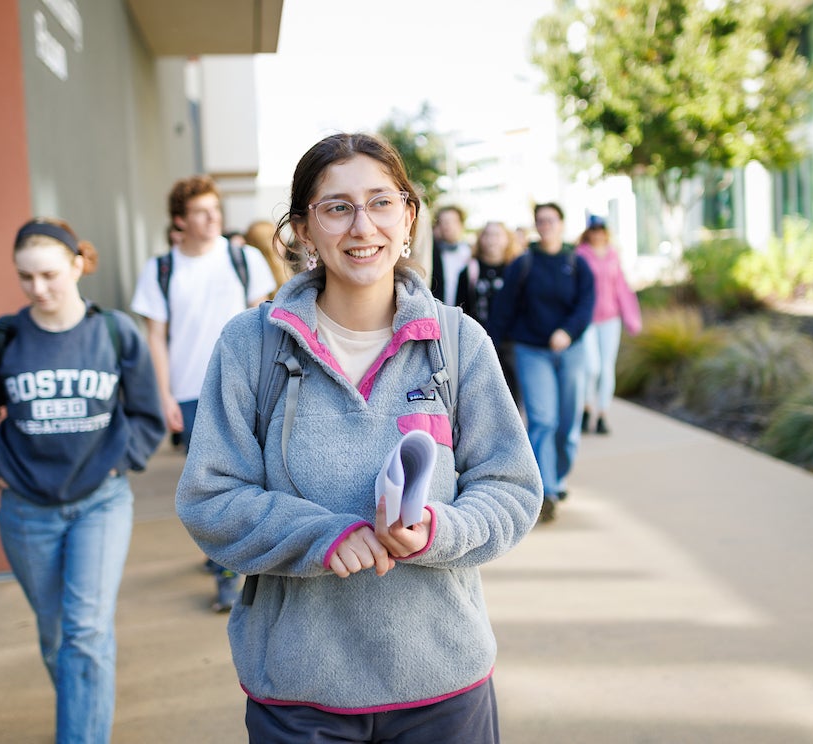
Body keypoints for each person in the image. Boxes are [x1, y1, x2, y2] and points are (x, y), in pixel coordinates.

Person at [175, 132, 542, 743]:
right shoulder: (250, 346)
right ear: (301, 231)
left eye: (381, 202)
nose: (361, 226)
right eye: (337, 207)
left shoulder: (457, 343)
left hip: (443, 685)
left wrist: (438, 530)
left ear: (409, 219)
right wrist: (322, 537)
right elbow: (209, 499)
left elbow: (510, 487)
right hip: (300, 693)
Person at [0, 217, 165, 744]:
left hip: (101, 502)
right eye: (25, 278)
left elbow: (146, 416)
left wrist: (120, 462)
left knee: (86, 632)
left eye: (49, 274)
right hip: (26, 511)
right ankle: (85, 706)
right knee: (57, 637)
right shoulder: (4, 339)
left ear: (77, 265)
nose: (38, 288)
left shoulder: (114, 332)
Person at [130, 175, 276, 611]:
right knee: (213, 486)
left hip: (247, 386)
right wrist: (164, 396)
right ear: (180, 220)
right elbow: (155, 337)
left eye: (216, 209)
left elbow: (265, 322)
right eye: (201, 211)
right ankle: (226, 572)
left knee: (255, 477)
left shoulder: (243, 257)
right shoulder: (160, 269)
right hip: (192, 391)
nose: (213, 217)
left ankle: (234, 563)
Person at [489, 202, 595, 523]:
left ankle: (558, 477)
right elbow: (503, 310)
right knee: (543, 420)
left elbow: (587, 305)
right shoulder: (524, 264)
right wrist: (489, 348)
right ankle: (545, 491)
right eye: (541, 221)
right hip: (531, 350)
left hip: (571, 350)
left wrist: (567, 331)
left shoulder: (577, 263)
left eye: (551, 220)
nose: (546, 225)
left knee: (566, 425)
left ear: (562, 224)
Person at [576, 215, 642, 435]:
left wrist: (631, 318)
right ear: (588, 232)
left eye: (601, 229)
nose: (597, 234)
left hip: (610, 319)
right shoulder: (581, 255)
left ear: (606, 231)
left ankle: (602, 413)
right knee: (591, 367)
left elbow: (621, 287)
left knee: (606, 368)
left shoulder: (613, 255)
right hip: (588, 320)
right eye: (593, 230)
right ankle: (586, 406)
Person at [455, 220, 523, 402]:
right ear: (481, 239)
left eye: (497, 235)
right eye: (488, 235)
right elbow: (460, 309)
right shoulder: (469, 271)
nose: (492, 240)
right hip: (478, 341)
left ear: (507, 240)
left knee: (511, 395)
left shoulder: (516, 269)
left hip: (510, 344)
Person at [429, 204, 471, 305]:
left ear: (461, 225)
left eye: (452, 221)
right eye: (443, 222)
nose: (448, 226)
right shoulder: (431, 253)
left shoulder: (469, 255)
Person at [244, 218, 292, 291]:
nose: (284, 241)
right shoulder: (279, 276)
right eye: (278, 237)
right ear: (268, 244)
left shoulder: (249, 273)